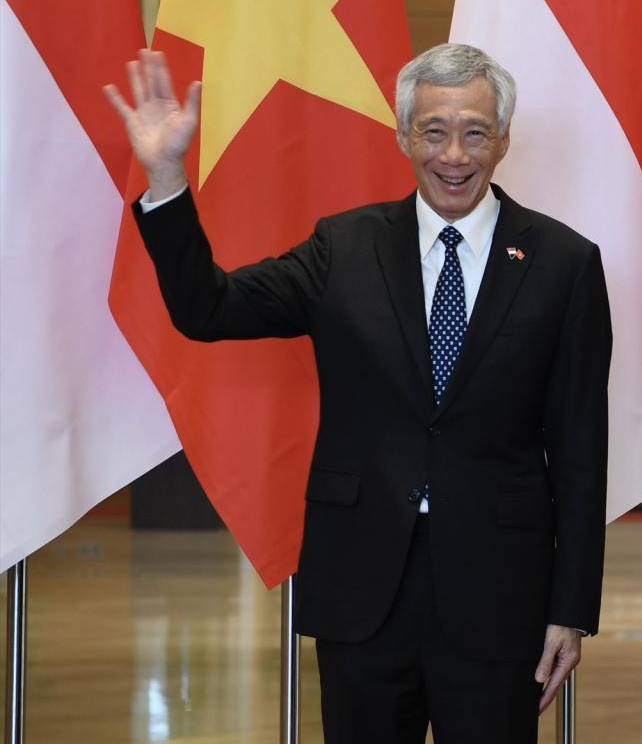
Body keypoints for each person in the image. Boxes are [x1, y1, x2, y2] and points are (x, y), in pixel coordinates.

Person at [105, 44, 611, 744]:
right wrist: (165, 176)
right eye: (434, 131)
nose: (454, 154)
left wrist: (572, 607)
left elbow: (583, 453)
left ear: (503, 138)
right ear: (404, 136)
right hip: (363, 591)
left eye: (474, 131)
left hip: (500, 593)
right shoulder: (342, 249)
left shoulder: (565, 263)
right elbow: (207, 307)